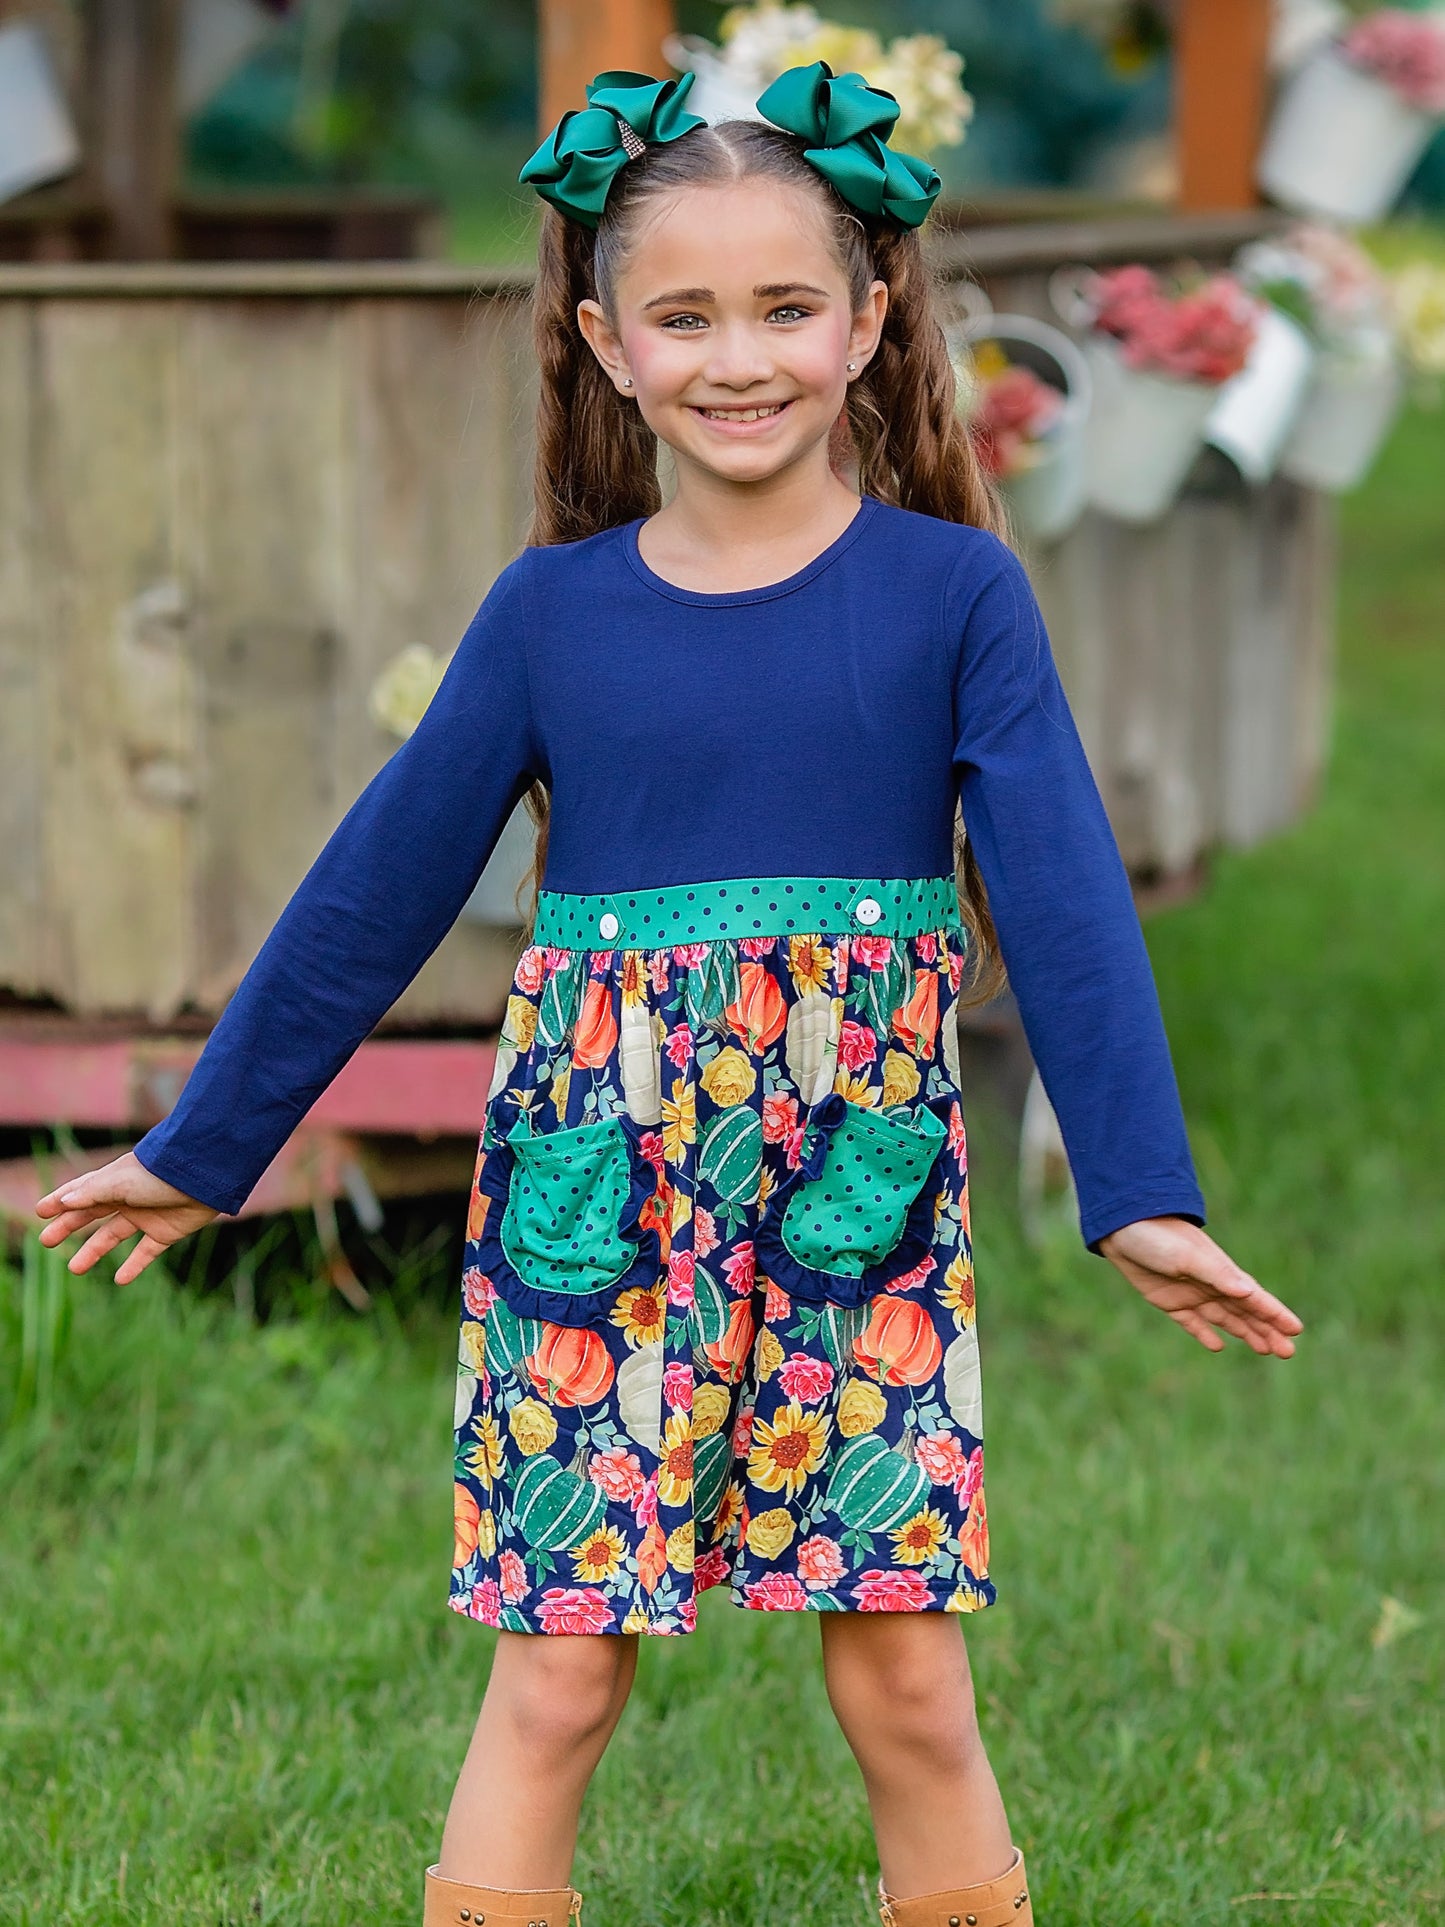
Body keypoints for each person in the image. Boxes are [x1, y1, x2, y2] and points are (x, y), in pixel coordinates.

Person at [36, 64, 1303, 1927]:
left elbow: (1064, 903)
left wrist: (1143, 1192)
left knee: (904, 1675)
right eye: (684, 315)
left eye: (787, 308)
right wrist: (207, 1145)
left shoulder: (957, 598)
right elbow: (371, 894)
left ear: (869, 325)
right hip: (594, 1193)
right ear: (608, 343)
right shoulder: (552, 617)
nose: (740, 358)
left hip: (858, 1192)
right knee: (557, 1670)